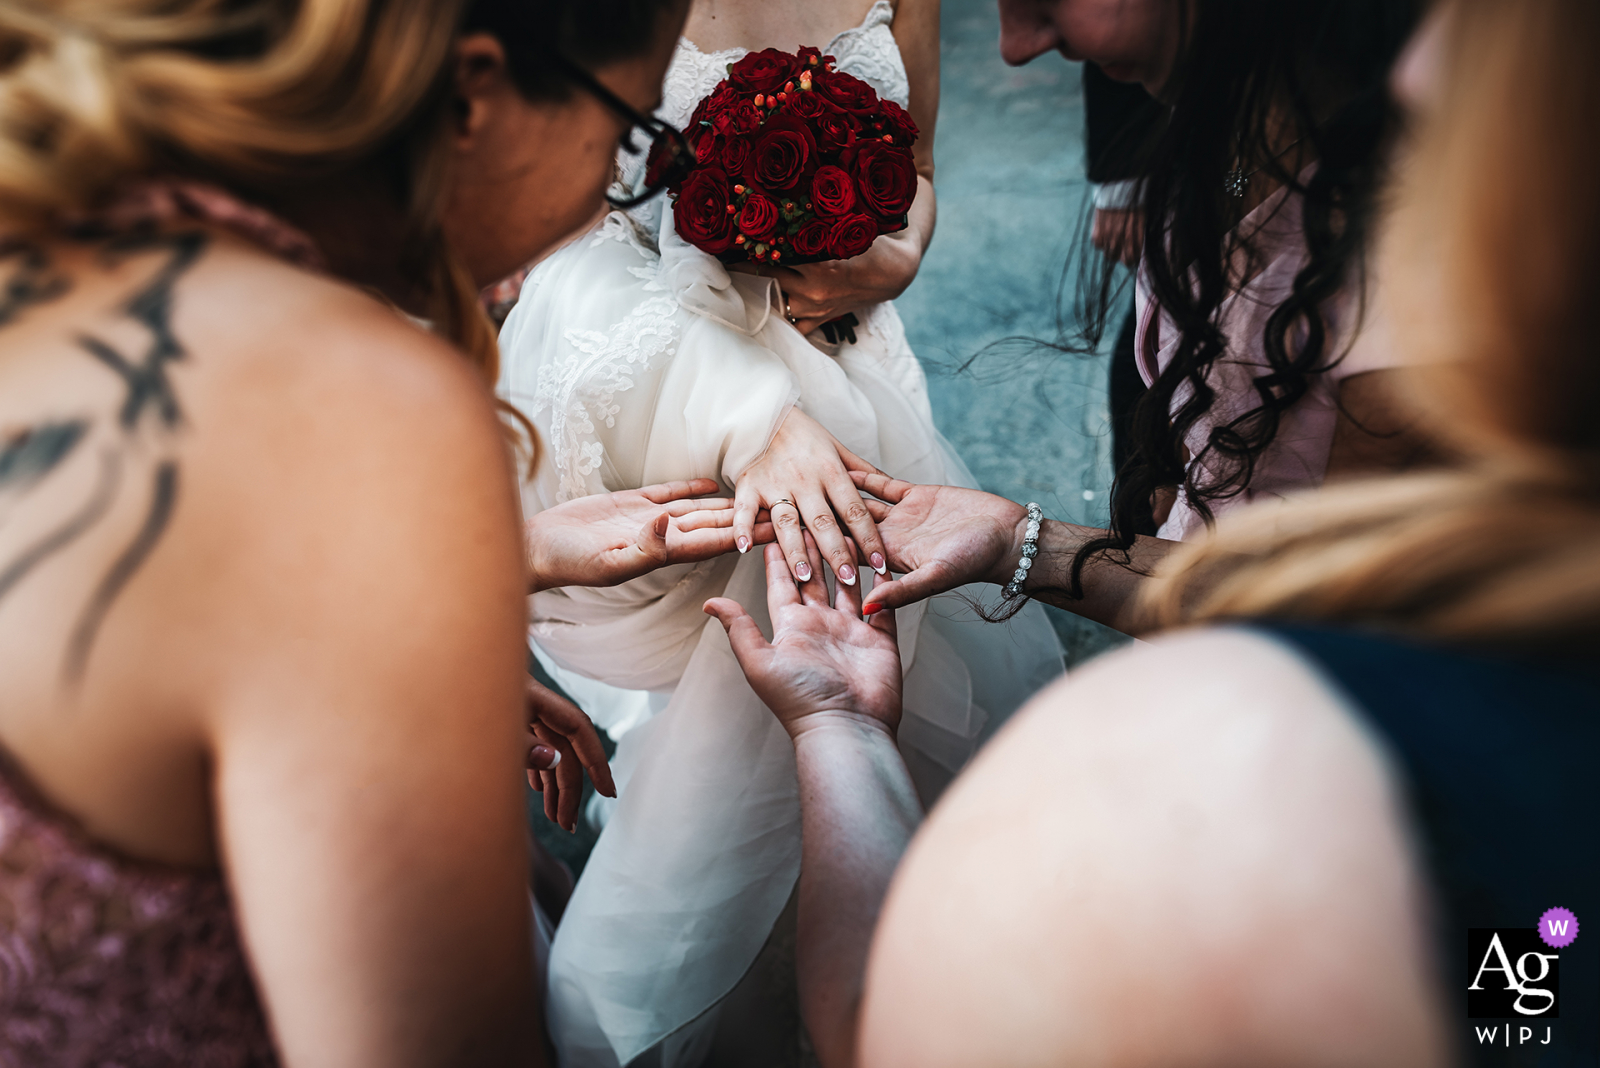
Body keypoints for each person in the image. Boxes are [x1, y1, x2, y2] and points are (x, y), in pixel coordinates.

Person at [709, 2, 1600, 1064]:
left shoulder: (1230, 761)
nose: (1416, 56)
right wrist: (1009, 539)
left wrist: (842, 732)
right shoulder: (1254, 144)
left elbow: (878, 1025)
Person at [0, 0, 699, 1062]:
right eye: (630, 136)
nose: (614, 186)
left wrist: (391, 638)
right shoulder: (341, 408)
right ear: (472, 95)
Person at [495, 1, 1065, 1063]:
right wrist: (753, 408)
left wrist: (895, 254)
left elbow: (919, 166)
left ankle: (880, 977)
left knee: (858, 650)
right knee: (729, 691)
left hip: (851, 361)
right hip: (670, 380)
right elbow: (561, 231)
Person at [856, 0, 1428, 633]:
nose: (1016, 47)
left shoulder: (1417, 284)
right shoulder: (1240, 116)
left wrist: (1019, 542)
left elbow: (1326, 621)